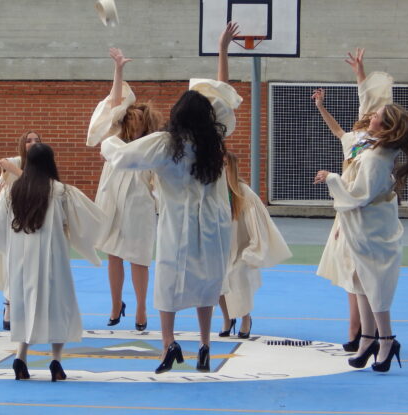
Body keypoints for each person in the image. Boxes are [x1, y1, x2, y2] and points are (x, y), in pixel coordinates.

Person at [101, 22, 241, 374]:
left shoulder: (166, 144)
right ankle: (206, 345)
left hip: (177, 223)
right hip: (213, 224)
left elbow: (121, 156)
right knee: (208, 282)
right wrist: (223, 51)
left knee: (167, 281)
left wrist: (110, 136)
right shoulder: (214, 141)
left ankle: (169, 343)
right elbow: (222, 95)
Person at [314, 48, 408, 372]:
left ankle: (386, 340)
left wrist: (331, 178)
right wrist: (359, 78)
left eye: (377, 115)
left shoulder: (377, 158)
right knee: (359, 279)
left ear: (383, 125)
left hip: (371, 224)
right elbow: (363, 109)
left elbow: (359, 195)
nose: (371, 115)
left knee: (375, 283)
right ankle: (366, 339)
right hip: (359, 222)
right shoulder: (369, 144)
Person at [0, 143, 105, 382]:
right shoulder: (61, 191)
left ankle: (21, 356)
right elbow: (89, 220)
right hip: (52, 259)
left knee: (23, 306)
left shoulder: (13, 190)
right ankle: (56, 361)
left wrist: (8, 244)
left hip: (20, 259)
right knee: (58, 305)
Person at [313, 48, 389, 353]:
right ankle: (357, 328)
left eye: (376, 114)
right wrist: (321, 106)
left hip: (361, 211)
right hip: (345, 209)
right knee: (348, 269)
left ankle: (363, 330)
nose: (370, 115)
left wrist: (361, 75)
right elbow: (340, 130)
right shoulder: (358, 141)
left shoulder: (379, 148)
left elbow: (369, 100)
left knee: (359, 271)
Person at [87, 47, 163, 331]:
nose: (134, 124)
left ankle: (142, 307)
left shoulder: (151, 146)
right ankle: (116, 303)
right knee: (113, 252)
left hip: (138, 200)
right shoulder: (114, 138)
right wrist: (119, 70)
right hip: (111, 196)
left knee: (139, 255)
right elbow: (115, 101)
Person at [218, 152, 292, 338]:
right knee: (216, 279)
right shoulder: (213, 192)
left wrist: (252, 250)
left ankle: (245, 318)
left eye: (225, 165)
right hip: (220, 248)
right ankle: (227, 318)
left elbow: (256, 227)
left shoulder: (244, 194)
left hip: (241, 248)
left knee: (236, 274)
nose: (221, 169)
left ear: (232, 167)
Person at [0, 131, 42, 330]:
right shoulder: (16, 161)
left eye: (37, 141)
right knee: (11, 264)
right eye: (28, 140)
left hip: (35, 220)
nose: (33, 143)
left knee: (32, 266)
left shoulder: (42, 167)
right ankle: (9, 306)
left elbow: (38, 185)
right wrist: (8, 170)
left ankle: (31, 309)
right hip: (13, 220)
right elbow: (3, 163)